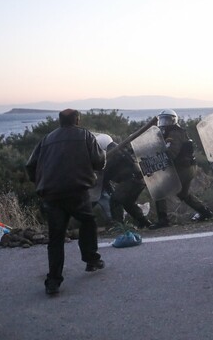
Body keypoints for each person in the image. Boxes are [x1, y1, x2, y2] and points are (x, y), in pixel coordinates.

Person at [26, 109, 106, 295]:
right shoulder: (85, 135)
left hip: (51, 194)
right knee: (87, 221)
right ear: (77, 120)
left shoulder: (46, 139)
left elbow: (30, 165)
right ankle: (91, 259)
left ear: (60, 121)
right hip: (77, 191)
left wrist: (40, 183)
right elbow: (98, 161)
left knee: (56, 237)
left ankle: (53, 281)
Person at [149, 109, 213, 229]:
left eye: (167, 120)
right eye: (162, 120)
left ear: (173, 121)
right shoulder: (170, 133)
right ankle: (206, 212)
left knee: (160, 189)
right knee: (183, 194)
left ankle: (163, 220)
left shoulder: (174, 134)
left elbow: (172, 153)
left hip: (183, 168)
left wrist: (157, 157)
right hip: (187, 167)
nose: (164, 122)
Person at [103, 142, 153, 229]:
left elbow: (106, 174)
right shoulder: (122, 152)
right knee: (128, 203)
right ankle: (144, 221)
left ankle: (118, 225)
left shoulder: (113, 155)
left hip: (130, 180)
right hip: (139, 180)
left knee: (115, 200)